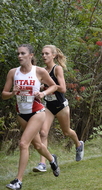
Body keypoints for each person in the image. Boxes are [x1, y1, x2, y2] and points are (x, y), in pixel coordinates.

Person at [2, 44, 60, 190]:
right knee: (38, 145)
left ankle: (18, 181)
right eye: (18, 54)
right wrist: (13, 93)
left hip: (37, 112)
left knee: (23, 144)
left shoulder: (39, 71)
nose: (19, 56)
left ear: (31, 55)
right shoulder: (13, 73)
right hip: (21, 113)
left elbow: (54, 86)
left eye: (23, 53)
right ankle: (52, 160)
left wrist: (43, 93)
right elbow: (3, 95)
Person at [32, 45, 84, 173]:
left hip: (61, 106)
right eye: (42, 54)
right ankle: (42, 163)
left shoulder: (57, 69)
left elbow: (63, 88)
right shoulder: (42, 71)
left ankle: (79, 144)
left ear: (53, 55)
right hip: (48, 106)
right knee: (43, 132)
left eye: (47, 54)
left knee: (66, 132)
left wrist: (50, 86)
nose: (44, 56)